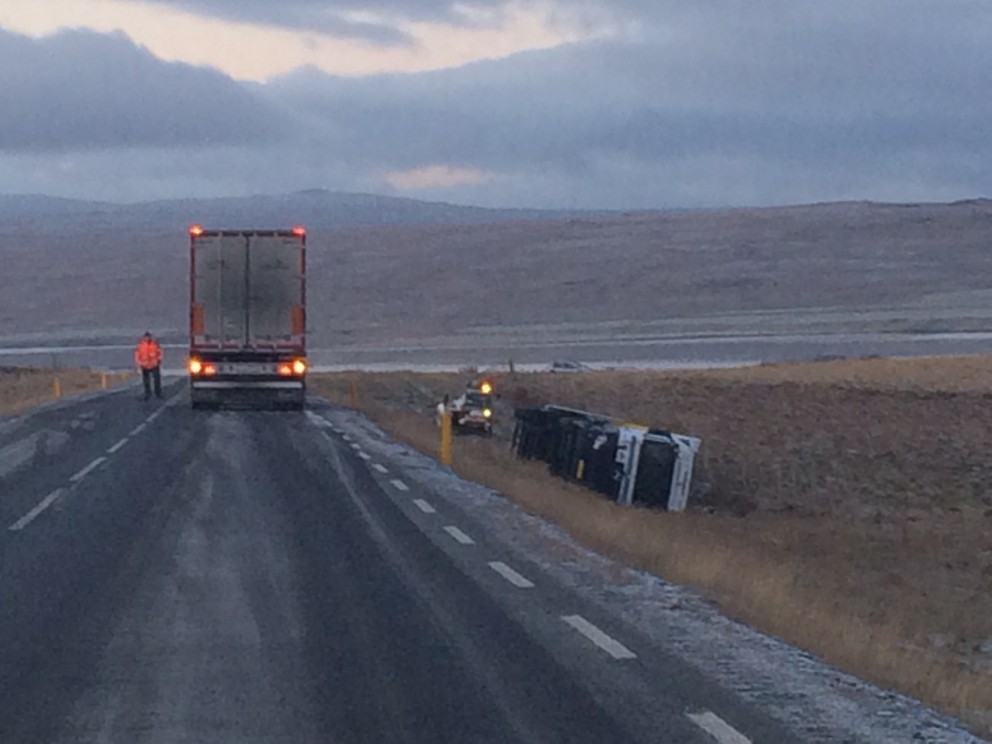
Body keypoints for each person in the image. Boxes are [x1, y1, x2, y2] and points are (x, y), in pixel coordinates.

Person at [134, 332, 163, 400]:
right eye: (146, 337)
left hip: (154, 364)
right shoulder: (140, 345)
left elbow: (160, 352)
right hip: (145, 365)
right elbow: (137, 355)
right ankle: (147, 394)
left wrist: (159, 360)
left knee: (157, 380)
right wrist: (139, 363)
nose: (147, 338)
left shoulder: (155, 344)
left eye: (148, 337)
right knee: (146, 381)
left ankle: (158, 393)